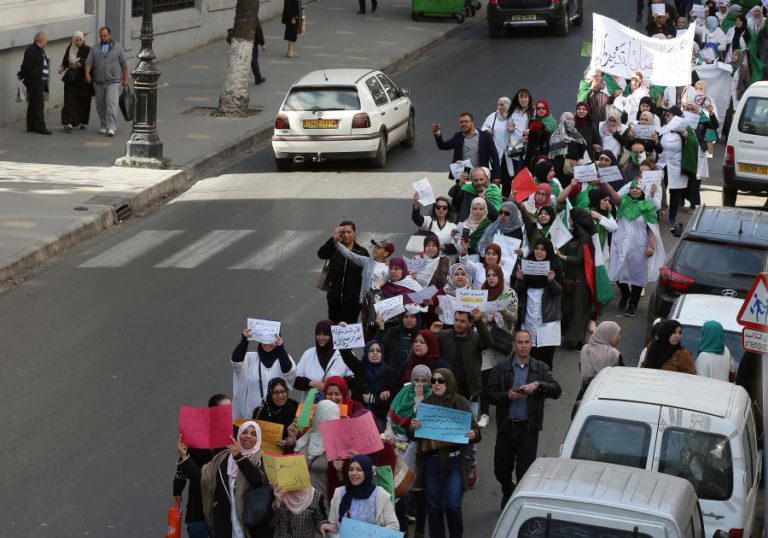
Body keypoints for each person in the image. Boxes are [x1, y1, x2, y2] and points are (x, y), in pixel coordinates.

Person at [486, 330, 562, 510]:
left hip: (528, 429)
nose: (523, 345)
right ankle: (508, 489)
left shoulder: (540, 368)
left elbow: (556, 390)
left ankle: (516, 505)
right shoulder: (501, 368)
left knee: (524, 472)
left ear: (531, 345)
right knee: (501, 468)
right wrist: (507, 396)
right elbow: (489, 394)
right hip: (506, 428)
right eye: (519, 342)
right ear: (514, 345)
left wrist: (539, 385)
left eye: (526, 342)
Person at [410, 369, 480, 538]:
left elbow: (475, 430)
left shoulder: (460, 402)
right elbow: (413, 435)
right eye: (433, 381)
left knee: (452, 505)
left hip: (455, 462)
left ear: (449, 382)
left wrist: (474, 434)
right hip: (431, 462)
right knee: (434, 507)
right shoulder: (425, 405)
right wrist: (413, 427)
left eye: (441, 381)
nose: (436, 384)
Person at [431, 308, 492, 488]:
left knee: (469, 435)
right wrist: (432, 334)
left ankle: (471, 465)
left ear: (470, 323)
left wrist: (480, 321)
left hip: (469, 396)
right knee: (444, 432)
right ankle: (446, 467)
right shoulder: (444, 336)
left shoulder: (476, 338)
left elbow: (489, 342)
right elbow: (428, 349)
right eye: (456, 320)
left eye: (462, 321)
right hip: (445, 396)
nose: (458, 324)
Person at [177, 421, 268, 537]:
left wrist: (239, 457)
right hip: (224, 524)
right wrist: (184, 457)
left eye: (253, 434)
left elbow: (258, 481)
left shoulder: (261, 459)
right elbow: (203, 479)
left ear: (258, 438)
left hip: (249, 524)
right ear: (238, 435)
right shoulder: (223, 458)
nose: (248, 436)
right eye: (244, 432)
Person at [173, 394, 232, 538]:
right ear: (212, 411)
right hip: (198, 506)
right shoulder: (195, 433)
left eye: (230, 409)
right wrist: (177, 491)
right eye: (225, 409)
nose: (229, 413)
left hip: (224, 507)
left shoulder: (235, 434)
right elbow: (183, 465)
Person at [604, 179, 665, 317]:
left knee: (637, 275)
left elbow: (652, 228)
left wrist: (651, 246)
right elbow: (612, 193)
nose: (634, 190)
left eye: (638, 188)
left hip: (638, 246)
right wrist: (604, 180)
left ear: (642, 191)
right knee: (617, 271)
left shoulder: (648, 206)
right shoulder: (623, 202)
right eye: (632, 188)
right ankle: (625, 293)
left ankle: (633, 304)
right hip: (620, 244)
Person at [478, 263, 518, 428]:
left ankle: (506, 409)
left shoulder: (509, 293)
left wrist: (502, 311)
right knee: (485, 378)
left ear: (500, 276)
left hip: (502, 341)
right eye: (488, 275)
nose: (491, 278)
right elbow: (475, 317)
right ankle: (485, 412)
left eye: (494, 275)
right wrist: (484, 320)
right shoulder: (481, 293)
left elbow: (514, 319)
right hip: (486, 341)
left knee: (503, 378)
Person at [514, 238, 563, 370]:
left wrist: (551, 281)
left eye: (543, 249)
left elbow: (559, 292)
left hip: (548, 318)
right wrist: (519, 279)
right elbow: (516, 291)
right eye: (537, 248)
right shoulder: (526, 265)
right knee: (529, 351)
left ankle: (546, 379)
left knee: (546, 354)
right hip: (529, 315)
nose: (539, 252)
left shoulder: (554, 267)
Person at [321, 455, 399, 535]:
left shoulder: (380, 495)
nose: (354, 473)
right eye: (351, 469)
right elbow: (332, 527)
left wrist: (369, 535)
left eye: (359, 470)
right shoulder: (339, 493)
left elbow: (394, 527)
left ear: (367, 472)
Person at [231, 327, 296, 420]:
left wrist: (281, 347)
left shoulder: (284, 359)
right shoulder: (249, 358)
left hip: (276, 420)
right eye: (264, 339)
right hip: (249, 417)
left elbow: (289, 373)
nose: (268, 344)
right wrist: (244, 341)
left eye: (271, 340)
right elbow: (236, 363)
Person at [557, 208, 596, 350]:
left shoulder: (584, 238)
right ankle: (573, 338)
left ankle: (575, 339)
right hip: (571, 279)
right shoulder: (576, 236)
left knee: (578, 310)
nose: (569, 220)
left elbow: (580, 259)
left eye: (571, 218)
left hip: (580, 281)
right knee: (569, 309)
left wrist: (561, 256)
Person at [317, 221, 369, 323]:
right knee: (334, 326)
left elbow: (369, 273)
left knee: (350, 326)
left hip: (353, 301)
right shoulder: (334, 248)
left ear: (354, 233)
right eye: (343, 232)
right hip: (334, 299)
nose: (346, 235)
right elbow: (321, 254)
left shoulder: (362, 252)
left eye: (349, 232)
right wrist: (333, 240)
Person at [293, 400, 341, 504]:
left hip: (320, 506)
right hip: (298, 502)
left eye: (316, 414)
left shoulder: (339, 446)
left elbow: (343, 481)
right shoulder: (307, 437)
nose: (313, 417)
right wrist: (291, 439)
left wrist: (340, 471)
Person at [85, 27, 128, 137]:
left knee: (111, 103)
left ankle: (111, 127)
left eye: (105, 36)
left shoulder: (118, 47)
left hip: (113, 81)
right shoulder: (95, 48)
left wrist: (126, 79)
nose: (103, 38)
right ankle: (104, 125)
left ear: (109, 35)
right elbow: (89, 62)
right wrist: (87, 73)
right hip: (99, 81)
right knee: (100, 105)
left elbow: (124, 64)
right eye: (101, 36)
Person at [294, 320, 355, 399]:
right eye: (318, 334)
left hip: (338, 404)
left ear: (332, 335)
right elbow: (295, 380)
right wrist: (311, 383)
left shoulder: (345, 354)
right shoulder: (308, 354)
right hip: (311, 405)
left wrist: (334, 382)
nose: (321, 338)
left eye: (325, 334)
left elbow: (354, 379)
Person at [432, 113, 500, 178]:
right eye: (461, 122)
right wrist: (438, 135)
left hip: (481, 177)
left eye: (466, 121)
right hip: (464, 177)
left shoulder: (485, 136)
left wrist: (497, 176)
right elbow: (443, 146)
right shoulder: (458, 137)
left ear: (472, 122)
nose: (463, 124)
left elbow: (495, 157)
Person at [657, 107, 689, 236]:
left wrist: (687, 138)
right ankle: (658, 212)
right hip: (662, 164)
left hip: (676, 165)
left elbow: (693, 146)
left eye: (669, 115)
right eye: (666, 115)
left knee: (675, 192)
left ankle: (672, 217)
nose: (666, 118)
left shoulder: (684, 132)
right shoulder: (662, 130)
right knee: (659, 189)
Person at [359, 339, 398, 428]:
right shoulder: (360, 370)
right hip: (362, 414)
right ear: (366, 353)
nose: (375, 353)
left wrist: (374, 399)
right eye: (371, 350)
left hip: (381, 417)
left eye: (378, 350)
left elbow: (394, 399)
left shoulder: (389, 372)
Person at [251, 378, 300, 450]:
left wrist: (289, 440)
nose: (280, 396)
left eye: (283, 391)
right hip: (265, 452)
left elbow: (301, 435)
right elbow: (253, 434)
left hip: (290, 452)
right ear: (270, 393)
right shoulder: (260, 411)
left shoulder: (296, 408)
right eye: (276, 392)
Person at [57, 31, 91, 131]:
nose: (78, 42)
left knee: (82, 100)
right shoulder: (70, 48)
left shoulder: (87, 49)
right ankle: (68, 122)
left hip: (82, 78)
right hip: (71, 77)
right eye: (76, 40)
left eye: (80, 40)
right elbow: (65, 61)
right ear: (73, 40)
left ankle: (82, 121)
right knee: (69, 99)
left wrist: (82, 62)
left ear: (83, 40)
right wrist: (62, 68)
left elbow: (90, 61)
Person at [503, 89, 534, 194]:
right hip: (515, 145)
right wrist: (509, 127)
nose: (523, 100)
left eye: (526, 97)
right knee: (515, 171)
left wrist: (530, 133)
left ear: (529, 99)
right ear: (518, 98)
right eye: (521, 97)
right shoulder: (513, 111)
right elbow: (508, 124)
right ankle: (516, 195)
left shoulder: (533, 112)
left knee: (524, 172)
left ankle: (524, 196)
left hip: (528, 146)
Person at [19, 31, 51, 135]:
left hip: (39, 81)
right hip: (34, 82)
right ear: (41, 40)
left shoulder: (39, 50)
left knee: (33, 104)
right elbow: (26, 65)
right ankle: (40, 127)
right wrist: (21, 74)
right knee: (39, 105)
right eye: (45, 39)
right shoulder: (32, 50)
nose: (46, 41)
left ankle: (31, 126)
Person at [376, 310, 422, 374]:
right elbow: (378, 347)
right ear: (401, 319)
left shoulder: (422, 334)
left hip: (416, 375)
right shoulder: (393, 332)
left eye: (412, 317)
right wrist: (381, 329)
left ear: (417, 319)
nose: (409, 320)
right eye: (406, 317)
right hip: (394, 375)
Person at [482, 97, 513, 181]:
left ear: (507, 106)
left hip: (508, 150)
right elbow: (483, 128)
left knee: (507, 175)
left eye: (502, 105)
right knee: (495, 175)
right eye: (498, 104)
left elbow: (518, 130)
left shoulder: (512, 117)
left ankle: (506, 189)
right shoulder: (493, 116)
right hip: (495, 149)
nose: (499, 107)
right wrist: (487, 130)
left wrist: (512, 129)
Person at [523, 99, 557, 170]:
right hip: (531, 154)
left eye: (543, 108)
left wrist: (531, 132)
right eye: (538, 108)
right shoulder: (532, 120)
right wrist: (526, 137)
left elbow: (546, 135)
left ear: (547, 109)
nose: (541, 110)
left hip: (544, 154)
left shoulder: (551, 122)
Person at [251, 16, 266, 84]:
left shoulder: (241, 16)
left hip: (241, 42)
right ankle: (258, 78)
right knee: (253, 60)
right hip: (252, 42)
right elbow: (258, 30)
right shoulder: (253, 16)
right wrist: (262, 43)